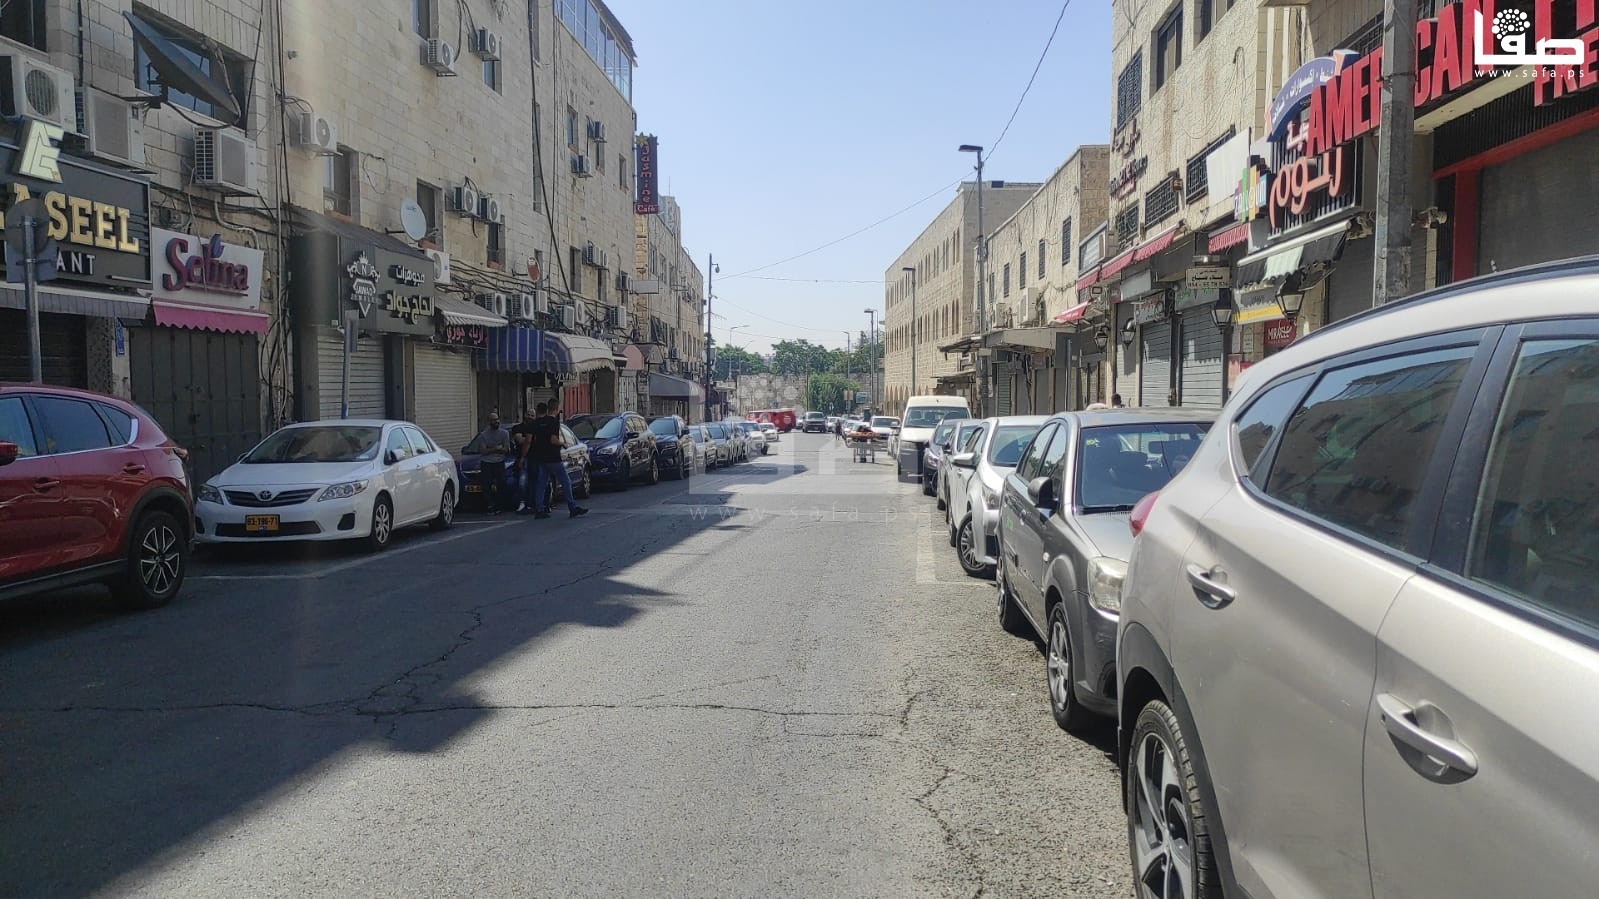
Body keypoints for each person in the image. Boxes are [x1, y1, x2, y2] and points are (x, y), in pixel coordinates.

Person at [532, 398, 588, 520]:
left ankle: (539, 509)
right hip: (553, 457)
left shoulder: (540, 422)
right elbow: (553, 440)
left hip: (542, 458)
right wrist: (563, 443)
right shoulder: (554, 422)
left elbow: (535, 439)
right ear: (557, 408)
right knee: (566, 481)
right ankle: (572, 507)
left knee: (541, 484)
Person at [475, 412, 513, 513]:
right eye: (493, 420)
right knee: (486, 484)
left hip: (499, 462)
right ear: (489, 422)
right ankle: (490, 504)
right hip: (486, 462)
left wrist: (490, 449)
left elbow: (505, 449)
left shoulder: (504, 433)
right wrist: (496, 448)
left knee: (502, 482)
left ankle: (500, 504)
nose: (496, 422)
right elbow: (483, 451)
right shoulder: (483, 435)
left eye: (497, 419)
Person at [510, 407, 542, 513]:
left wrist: (528, 439)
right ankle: (523, 502)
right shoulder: (518, 428)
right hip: (523, 458)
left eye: (532, 415)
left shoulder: (537, 427)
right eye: (528, 415)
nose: (530, 417)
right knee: (522, 482)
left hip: (535, 458)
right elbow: (520, 440)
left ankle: (536, 503)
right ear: (524, 415)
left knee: (537, 482)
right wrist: (531, 439)